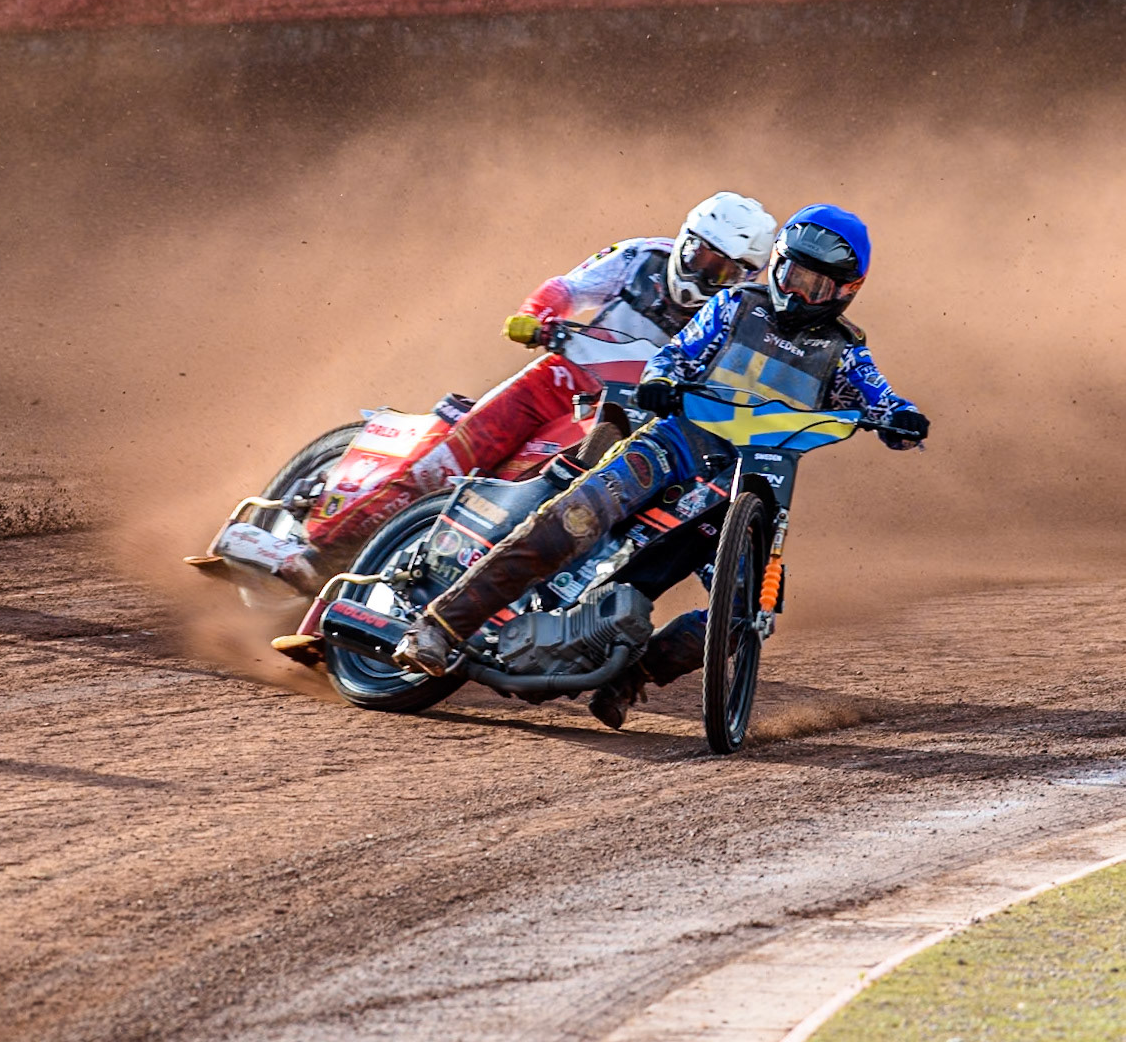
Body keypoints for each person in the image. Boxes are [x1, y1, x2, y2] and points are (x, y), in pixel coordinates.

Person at [389, 204, 930, 728]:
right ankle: (439, 625)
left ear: (843, 291)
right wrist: (662, 378)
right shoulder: (737, 305)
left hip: (751, 482)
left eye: (812, 286)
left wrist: (901, 419)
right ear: (775, 265)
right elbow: (677, 354)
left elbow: (879, 398)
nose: (794, 293)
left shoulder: (844, 349)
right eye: (788, 274)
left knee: (741, 612)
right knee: (576, 516)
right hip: (675, 442)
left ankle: (627, 682)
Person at [213, 192, 778, 594]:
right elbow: (567, 287)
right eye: (703, 256)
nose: (708, 275)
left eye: (726, 269)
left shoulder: (739, 313)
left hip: (627, 418)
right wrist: (539, 316)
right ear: (686, 240)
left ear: (746, 275)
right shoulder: (639, 256)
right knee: (445, 466)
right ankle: (310, 555)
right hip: (556, 381)